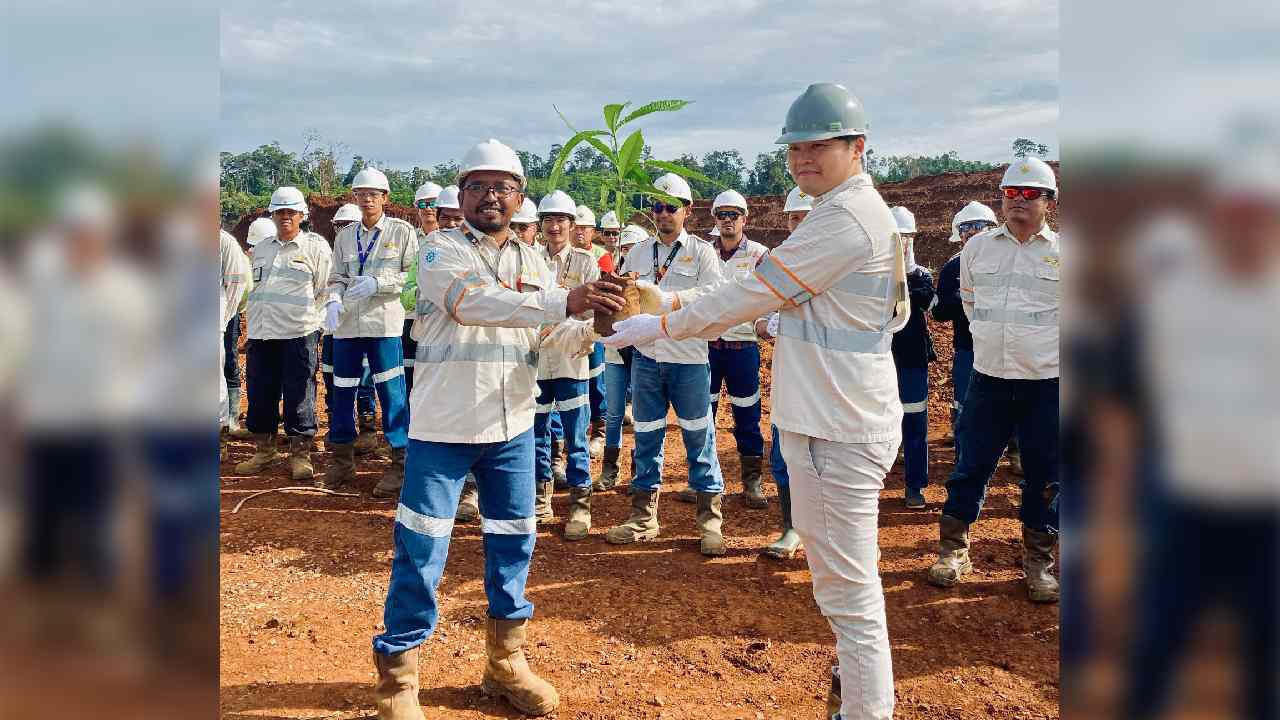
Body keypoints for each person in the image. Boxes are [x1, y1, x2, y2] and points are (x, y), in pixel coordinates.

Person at [604, 83, 908, 719]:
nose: (801, 159)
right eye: (794, 148)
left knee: (850, 599)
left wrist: (661, 325)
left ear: (858, 147)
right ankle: (854, 698)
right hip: (833, 416)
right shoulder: (842, 212)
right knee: (845, 594)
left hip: (837, 425)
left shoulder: (846, 220)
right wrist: (673, 302)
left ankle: (865, 709)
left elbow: (753, 294)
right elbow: (754, 287)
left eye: (818, 146)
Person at [370, 138, 623, 720]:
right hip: (443, 428)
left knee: (514, 542)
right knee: (422, 546)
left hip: (512, 425)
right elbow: (471, 304)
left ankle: (504, 664)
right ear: (461, 196)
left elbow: (545, 338)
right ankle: (398, 677)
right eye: (479, 186)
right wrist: (568, 302)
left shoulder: (535, 263)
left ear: (518, 198)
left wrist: (593, 324)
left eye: (502, 187)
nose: (490, 197)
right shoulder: (438, 251)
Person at [926, 157, 1061, 604]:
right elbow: (968, 305)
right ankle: (953, 550)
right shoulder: (977, 250)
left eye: (1029, 194)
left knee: (1044, 474)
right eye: (1010, 193)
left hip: (1047, 383)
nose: (1017, 202)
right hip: (989, 379)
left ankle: (1039, 563)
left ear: (1048, 202)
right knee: (971, 466)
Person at [604, 172, 728, 557]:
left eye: (670, 207)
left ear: (687, 211)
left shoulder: (703, 253)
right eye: (655, 207)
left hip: (687, 358)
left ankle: (710, 522)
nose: (662, 214)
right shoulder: (639, 252)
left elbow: (717, 293)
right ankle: (643, 519)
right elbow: (625, 295)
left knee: (698, 434)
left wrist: (671, 299)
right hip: (646, 358)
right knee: (646, 436)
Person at [321, 169, 417, 498]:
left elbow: (413, 277)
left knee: (391, 393)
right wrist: (333, 297)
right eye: (361, 193)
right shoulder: (345, 236)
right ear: (355, 198)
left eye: (374, 193)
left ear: (385, 197)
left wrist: (379, 283)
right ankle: (342, 458)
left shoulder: (402, 232)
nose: (367, 199)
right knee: (343, 390)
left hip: (384, 324)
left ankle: (400, 462)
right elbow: (336, 276)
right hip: (348, 325)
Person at [235, 187, 332, 480]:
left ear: (302, 215)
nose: (285, 217)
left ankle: (300, 455)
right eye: (280, 212)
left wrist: (316, 324)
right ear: (272, 214)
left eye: (291, 212)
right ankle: (264, 452)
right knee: (260, 391)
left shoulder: (315, 248)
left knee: (299, 391)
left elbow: (325, 290)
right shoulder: (263, 248)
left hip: (298, 333)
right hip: (262, 334)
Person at [401, 183, 481, 522]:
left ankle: (472, 489)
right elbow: (407, 296)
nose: (450, 223)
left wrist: (443, 297)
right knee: (435, 415)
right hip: (433, 352)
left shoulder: (478, 252)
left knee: (472, 415)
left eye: (456, 218)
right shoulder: (426, 251)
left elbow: (480, 301)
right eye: (444, 217)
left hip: (470, 349)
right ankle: (435, 491)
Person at [688, 189, 769, 509]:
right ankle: (703, 482)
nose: (727, 221)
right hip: (706, 346)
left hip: (742, 347)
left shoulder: (760, 255)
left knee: (746, 414)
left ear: (744, 219)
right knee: (702, 414)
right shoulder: (703, 253)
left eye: (733, 215)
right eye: (721, 215)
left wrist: (764, 324)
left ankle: (752, 482)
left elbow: (769, 297)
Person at [530, 190, 600, 537]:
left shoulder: (586, 262)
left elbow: (591, 313)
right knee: (538, 431)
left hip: (571, 359)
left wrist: (563, 323)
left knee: (575, 432)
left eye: (561, 220)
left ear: (572, 225)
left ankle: (579, 504)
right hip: (539, 360)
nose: (554, 226)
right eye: (548, 220)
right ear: (540, 225)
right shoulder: (530, 258)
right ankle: (541, 499)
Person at [759, 185, 814, 559]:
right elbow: (759, 315)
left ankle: (837, 535)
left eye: (805, 217)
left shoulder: (843, 260)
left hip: (829, 381)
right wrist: (766, 324)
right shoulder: (779, 261)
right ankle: (792, 527)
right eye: (794, 217)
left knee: (829, 461)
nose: (799, 224)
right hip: (790, 377)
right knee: (784, 457)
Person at [932, 201, 998, 453]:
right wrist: (958, 299)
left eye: (978, 227)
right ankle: (963, 455)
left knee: (1008, 401)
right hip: (967, 348)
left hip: (1002, 346)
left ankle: (1014, 452)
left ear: (990, 229)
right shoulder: (952, 268)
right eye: (965, 229)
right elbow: (939, 313)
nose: (971, 233)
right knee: (965, 403)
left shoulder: (1007, 261)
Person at [320, 203, 380, 454]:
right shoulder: (336, 249)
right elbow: (331, 282)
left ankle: (367, 430)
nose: (342, 228)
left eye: (347, 224)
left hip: (363, 325)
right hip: (334, 328)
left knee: (365, 378)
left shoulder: (372, 249)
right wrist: (332, 301)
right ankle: (339, 425)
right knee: (332, 375)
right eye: (338, 225)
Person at [889, 205, 936, 509]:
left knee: (915, 419)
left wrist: (906, 271)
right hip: (877, 357)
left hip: (911, 358)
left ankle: (914, 484)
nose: (902, 242)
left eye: (906, 237)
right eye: (896, 237)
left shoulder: (921, 276)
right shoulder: (871, 274)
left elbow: (927, 302)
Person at [594, 223, 647, 491]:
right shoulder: (609, 276)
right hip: (615, 352)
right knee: (614, 412)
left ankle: (639, 472)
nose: (629, 253)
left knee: (641, 412)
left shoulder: (647, 283)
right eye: (625, 248)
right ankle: (609, 470)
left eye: (633, 248)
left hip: (641, 352)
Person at [575, 205, 609, 454]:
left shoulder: (600, 255)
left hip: (592, 326)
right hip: (564, 330)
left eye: (584, 228)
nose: (578, 232)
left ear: (593, 232)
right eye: (576, 227)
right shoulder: (560, 256)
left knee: (596, 380)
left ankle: (599, 429)